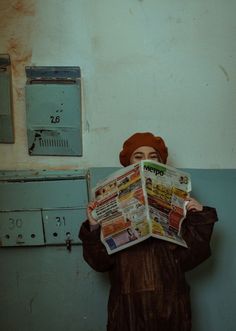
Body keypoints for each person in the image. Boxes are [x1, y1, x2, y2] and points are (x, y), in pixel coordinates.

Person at [79, 132, 218, 331]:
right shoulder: (108, 204)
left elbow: (192, 258)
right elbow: (100, 263)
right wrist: (93, 226)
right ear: (128, 163)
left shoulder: (178, 202)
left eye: (153, 157)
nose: (146, 161)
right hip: (127, 312)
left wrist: (199, 218)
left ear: (161, 163)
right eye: (138, 156)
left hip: (171, 308)